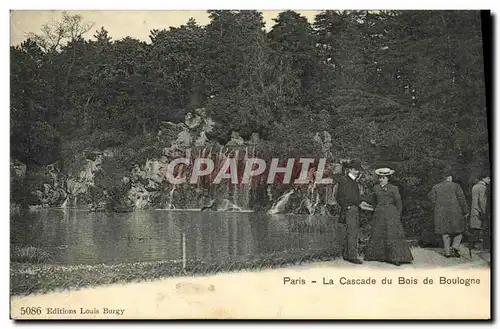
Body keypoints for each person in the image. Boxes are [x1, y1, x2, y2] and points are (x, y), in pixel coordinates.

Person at [363, 168, 413, 266]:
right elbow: (373, 200)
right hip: (379, 213)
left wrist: (398, 215)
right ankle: (378, 256)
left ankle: (396, 258)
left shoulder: (394, 188)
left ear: (388, 178)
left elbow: (399, 202)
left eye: (384, 178)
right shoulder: (375, 188)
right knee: (378, 233)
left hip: (391, 213)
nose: (381, 179)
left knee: (392, 234)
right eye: (380, 178)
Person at [428, 171, 469, 258]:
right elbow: (462, 199)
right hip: (456, 212)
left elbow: (432, 200)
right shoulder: (456, 186)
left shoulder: (435, 187)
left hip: (441, 212)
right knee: (459, 231)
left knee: (445, 232)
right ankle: (454, 247)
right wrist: (465, 211)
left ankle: (447, 252)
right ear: (449, 177)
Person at [334, 159, 365, 264]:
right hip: (350, 209)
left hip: (353, 208)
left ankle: (348, 255)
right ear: (350, 169)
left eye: (358, 170)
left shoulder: (352, 181)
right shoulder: (346, 181)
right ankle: (352, 256)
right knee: (352, 232)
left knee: (351, 232)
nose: (357, 172)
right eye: (355, 170)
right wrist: (346, 206)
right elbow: (340, 197)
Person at [469, 172, 491, 251]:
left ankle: (472, 245)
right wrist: (484, 212)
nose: (489, 180)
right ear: (483, 178)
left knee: (475, 228)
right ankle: (476, 246)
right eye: (488, 178)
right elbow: (482, 201)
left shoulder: (475, 186)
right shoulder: (483, 187)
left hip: (474, 209)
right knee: (479, 228)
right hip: (480, 211)